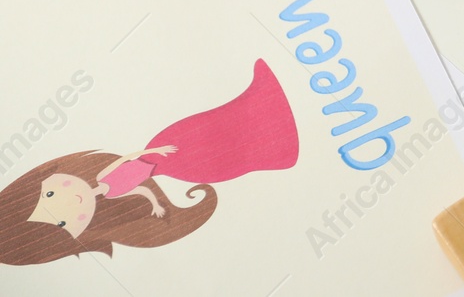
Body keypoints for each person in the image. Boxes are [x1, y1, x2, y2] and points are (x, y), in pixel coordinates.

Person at [0, 60, 298, 265]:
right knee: (217, 157)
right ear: (81, 238)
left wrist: (150, 153)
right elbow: (140, 192)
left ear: (48, 175)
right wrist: (155, 205)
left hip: (159, 152)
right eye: (63, 223)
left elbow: (128, 161)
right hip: (174, 166)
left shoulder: (105, 177)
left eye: (49, 195)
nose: (70, 204)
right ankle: (273, 146)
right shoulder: (113, 195)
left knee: (208, 131)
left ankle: (262, 109)